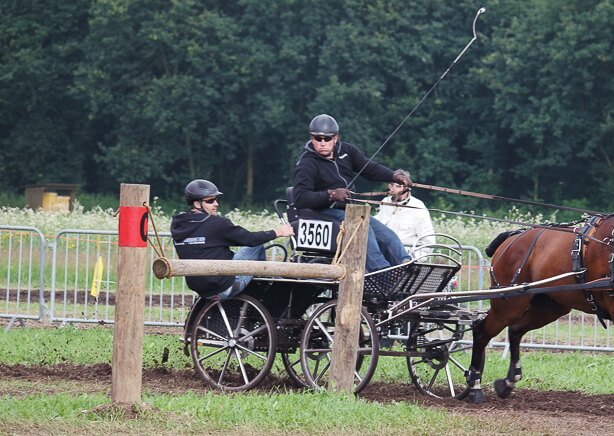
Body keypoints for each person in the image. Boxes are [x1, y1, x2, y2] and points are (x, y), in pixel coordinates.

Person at [292, 113, 413, 272]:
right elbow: (300, 198)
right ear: (311, 138)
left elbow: (369, 169)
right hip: (324, 212)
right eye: (317, 138)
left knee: (387, 235)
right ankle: (382, 273)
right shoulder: (307, 163)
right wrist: (331, 194)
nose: (322, 143)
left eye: (327, 139)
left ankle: (406, 266)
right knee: (362, 230)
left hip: (350, 211)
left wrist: (393, 176)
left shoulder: (347, 151)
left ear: (335, 138)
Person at [171, 179, 294, 298]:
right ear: (197, 204)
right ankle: (265, 291)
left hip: (201, 289)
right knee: (256, 247)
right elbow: (250, 239)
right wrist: (278, 232)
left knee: (235, 253)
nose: (216, 204)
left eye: (216, 199)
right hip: (225, 286)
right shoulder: (216, 223)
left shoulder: (178, 225)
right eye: (210, 201)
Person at [374, 181, 435, 258]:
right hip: (383, 257)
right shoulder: (385, 202)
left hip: (406, 258)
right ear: (390, 187)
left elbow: (428, 241)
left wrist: (412, 260)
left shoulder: (419, 207)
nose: (403, 190)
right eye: (399, 186)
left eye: (405, 187)